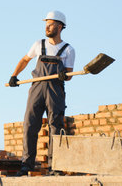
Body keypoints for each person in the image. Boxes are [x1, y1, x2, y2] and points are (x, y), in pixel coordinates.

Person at [8, 11, 75, 176]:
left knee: (56, 127)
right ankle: (26, 166)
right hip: (37, 88)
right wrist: (14, 75)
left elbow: (69, 75)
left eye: (51, 24)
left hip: (55, 90)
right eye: (46, 23)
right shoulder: (39, 44)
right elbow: (25, 60)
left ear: (59, 27)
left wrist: (64, 75)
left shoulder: (68, 50)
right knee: (29, 126)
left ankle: (56, 167)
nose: (47, 26)